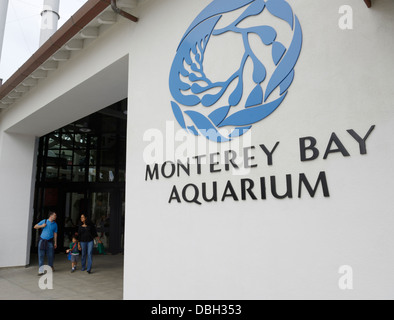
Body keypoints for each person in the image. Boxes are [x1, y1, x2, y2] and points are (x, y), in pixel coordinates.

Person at [34, 211, 58, 276]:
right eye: (54, 215)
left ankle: (50, 266)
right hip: (42, 241)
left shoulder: (55, 224)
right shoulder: (44, 221)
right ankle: (40, 270)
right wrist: (42, 225)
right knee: (41, 255)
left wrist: (55, 242)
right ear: (51, 216)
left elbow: (55, 233)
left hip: (50, 241)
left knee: (50, 255)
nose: (55, 216)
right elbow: (35, 226)